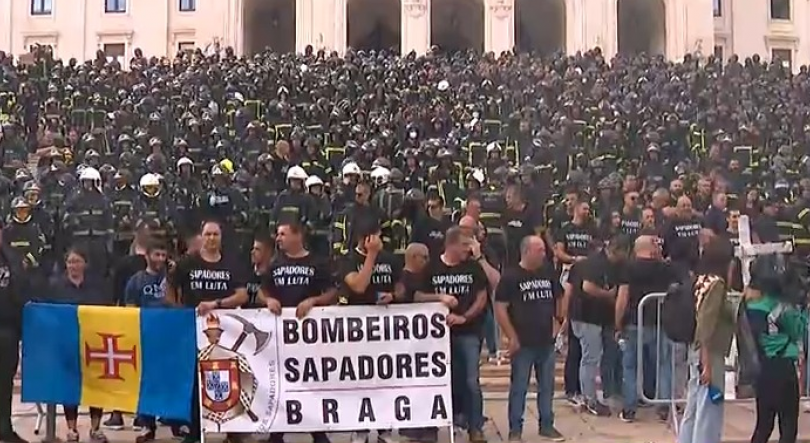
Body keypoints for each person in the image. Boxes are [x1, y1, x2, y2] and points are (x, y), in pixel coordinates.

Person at [167, 220, 249, 443]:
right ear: (201, 237)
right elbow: (170, 286)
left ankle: (234, 430)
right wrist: (178, 310)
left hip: (226, 332)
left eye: (215, 234)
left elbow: (242, 295)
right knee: (195, 381)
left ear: (221, 237)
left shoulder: (232, 264)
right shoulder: (187, 262)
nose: (212, 238)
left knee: (230, 378)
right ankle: (194, 430)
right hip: (193, 330)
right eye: (208, 234)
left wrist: (216, 304)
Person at [260, 222, 335, 443]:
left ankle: (318, 432)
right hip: (282, 335)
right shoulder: (274, 264)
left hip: (310, 335)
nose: (278, 237)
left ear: (297, 235)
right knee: (282, 384)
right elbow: (262, 292)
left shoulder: (317, 263)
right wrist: (269, 299)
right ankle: (277, 433)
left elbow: (332, 292)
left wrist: (314, 300)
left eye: (283, 233)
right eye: (278, 234)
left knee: (310, 383)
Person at [415, 227, 489, 443]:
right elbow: (418, 295)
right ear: (452, 244)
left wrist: (464, 317)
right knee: (435, 380)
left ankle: (475, 428)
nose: (469, 249)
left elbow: (482, 297)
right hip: (437, 336)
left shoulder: (473, 267)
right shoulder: (432, 267)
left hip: (468, 332)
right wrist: (439, 297)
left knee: (471, 382)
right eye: (465, 244)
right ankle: (431, 427)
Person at [495, 235, 565, 441]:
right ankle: (515, 429)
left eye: (544, 250)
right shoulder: (511, 276)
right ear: (526, 252)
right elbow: (500, 308)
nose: (544, 254)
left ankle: (547, 425)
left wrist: (559, 321)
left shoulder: (547, 272)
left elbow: (559, 296)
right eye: (540, 250)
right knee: (519, 387)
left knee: (547, 386)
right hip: (523, 341)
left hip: (546, 340)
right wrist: (511, 336)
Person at [337, 220, 399, 443]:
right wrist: (371, 257)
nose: (380, 240)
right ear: (365, 239)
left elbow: (400, 285)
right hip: (357, 332)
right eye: (375, 236)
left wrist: (394, 296)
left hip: (386, 331)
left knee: (384, 380)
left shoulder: (390, 258)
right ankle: (360, 429)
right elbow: (359, 285)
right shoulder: (347, 260)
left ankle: (384, 429)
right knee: (359, 382)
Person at [48, 247, 112, 443]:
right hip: (67, 343)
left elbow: (105, 311)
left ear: (85, 264)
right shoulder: (56, 286)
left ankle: (95, 428)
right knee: (70, 387)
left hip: (93, 344)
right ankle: (72, 429)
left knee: (96, 385)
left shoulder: (97, 286)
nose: (73, 266)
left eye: (77, 261)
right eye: (70, 262)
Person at [677, 236, 735, 443]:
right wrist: (707, 364)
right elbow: (706, 324)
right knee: (709, 411)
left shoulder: (701, 279)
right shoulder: (716, 285)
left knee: (694, 408)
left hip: (698, 351)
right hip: (710, 353)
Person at [615, 235, 678, 422]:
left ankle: (629, 408)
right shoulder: (666, 268)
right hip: (661, 321)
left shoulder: (628, 267)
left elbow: (622, 297)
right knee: (664, 365)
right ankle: (664, 406)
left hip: (634, 322)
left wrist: (618, 323)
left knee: (630, 366)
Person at [745, 259, 808, 443]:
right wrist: (802, 309)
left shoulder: (750, 305)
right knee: (788, 427)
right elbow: (798, 329)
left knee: (763, 426)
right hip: (783, 368)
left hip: (763, 369)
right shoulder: (780, 307)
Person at [569, 235, 631, 416]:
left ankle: (608, 392)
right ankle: (589, 399)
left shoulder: (618, 266)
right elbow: (587, 287)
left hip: (603, 317)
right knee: (591, 357)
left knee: (607, 354)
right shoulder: (595, 263)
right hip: (586, 316)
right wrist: (609, 294)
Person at [122, 241, 169, 443]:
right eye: (156, 254)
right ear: (147, 256)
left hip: (170, 336)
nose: (160, 259)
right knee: (145, 384)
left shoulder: (172, 279)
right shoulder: (136, 281)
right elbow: (129, 308)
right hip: (144, 337)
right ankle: (147, 426)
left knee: (170, 380)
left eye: (163, 255)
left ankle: (176, 421)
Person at [0, 223, 28, 443]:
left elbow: (21, 287)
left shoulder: (10, 256)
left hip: (7, 329)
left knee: (5, 382)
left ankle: (5, 428)